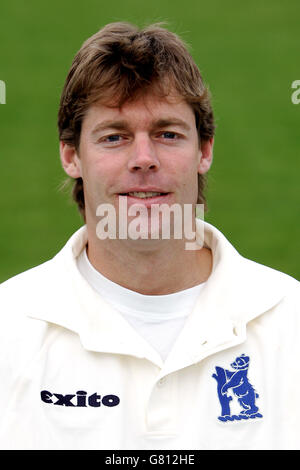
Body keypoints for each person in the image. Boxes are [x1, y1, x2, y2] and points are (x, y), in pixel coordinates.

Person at [0, 22, 299, 451]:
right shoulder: (9, 329)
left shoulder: (291, 323)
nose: (144, 159)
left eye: (167, 134)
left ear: (205, 151)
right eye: (115, 137)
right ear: (71, 157)